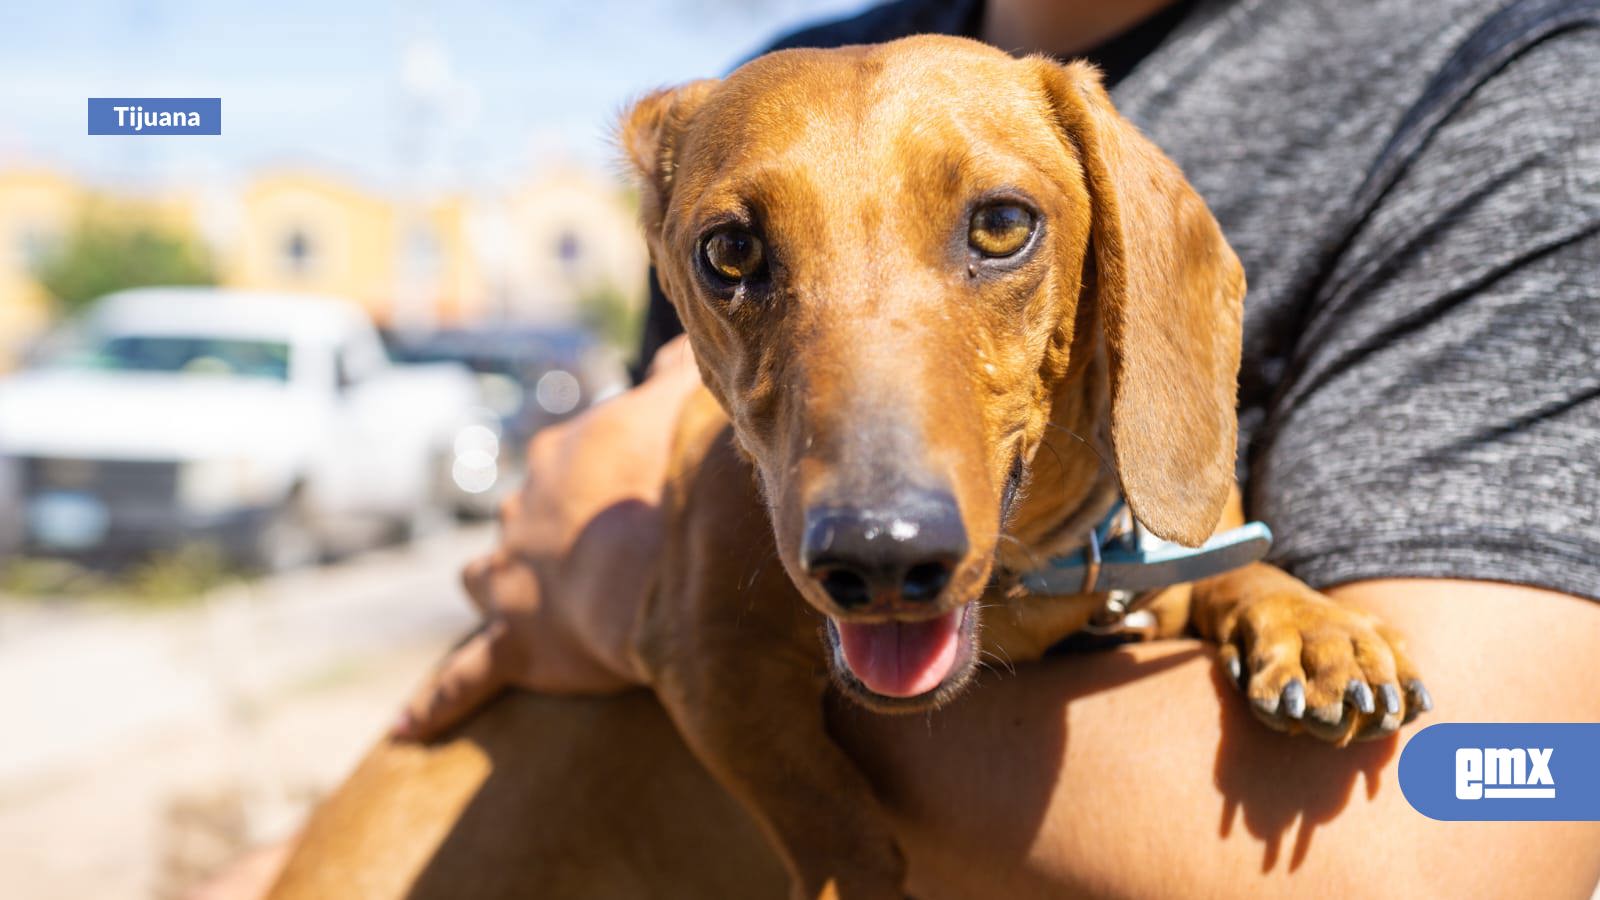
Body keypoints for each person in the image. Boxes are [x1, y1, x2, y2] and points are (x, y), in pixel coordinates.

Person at [395, 0, 1600, 894]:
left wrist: (622, 601)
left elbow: (1524, 790)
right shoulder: (757, 106)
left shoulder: (1513, 91)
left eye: (998, 231)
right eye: (735, 262)